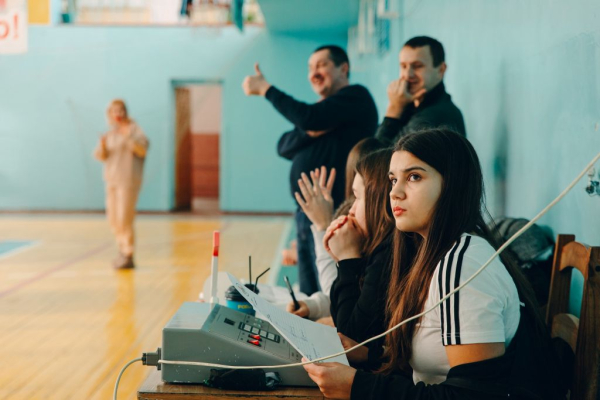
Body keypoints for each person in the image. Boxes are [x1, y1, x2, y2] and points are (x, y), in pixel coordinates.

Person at [303, 129, 564, 400]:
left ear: (452, 185)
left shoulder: (464, 264)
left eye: (414, 177)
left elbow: (475, 396)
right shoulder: (430, 256)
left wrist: (358, 387)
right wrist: (369, 353)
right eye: (393, 180)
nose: (395, 193)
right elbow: (435, 352)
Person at [243, 45, 379, 295]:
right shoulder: (324, 115)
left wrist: (266, 89)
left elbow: (308, 118)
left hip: (336, 211)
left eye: (321, 65)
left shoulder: (356, 97)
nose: (313, 72)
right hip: (307, 213)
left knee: (331, 290)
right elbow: (283, 145)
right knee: (309, 294)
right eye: (310, 68)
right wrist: (311, 126)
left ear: (343, 69)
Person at [287, 138, 386, 322]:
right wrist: (312, 305)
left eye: (359, 196)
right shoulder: (353, 215)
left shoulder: (379, 248)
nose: (352, 209)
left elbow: (349, 322)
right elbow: (338, 294)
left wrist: (323, 226)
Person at [376, 36, 466, 145]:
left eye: (417, 66)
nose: (408, 74)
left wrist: (394, 110)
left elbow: (378, 160)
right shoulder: (413, 105)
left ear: (441, 70)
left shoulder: (434, 117)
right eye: (403, 66)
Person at [94, 99, 149, 270]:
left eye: (120, 110)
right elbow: (100, 156)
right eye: (114, 111)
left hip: (128, 180)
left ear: (125, 112)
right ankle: (121, 249)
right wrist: (102, 146)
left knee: (125, 217)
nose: (117, 114)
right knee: (114, 218)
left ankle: (128, 253)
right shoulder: (110, 134)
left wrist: (128, 136)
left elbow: (143, 149)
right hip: (112, 180)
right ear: (109, 114)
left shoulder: (135, 130)